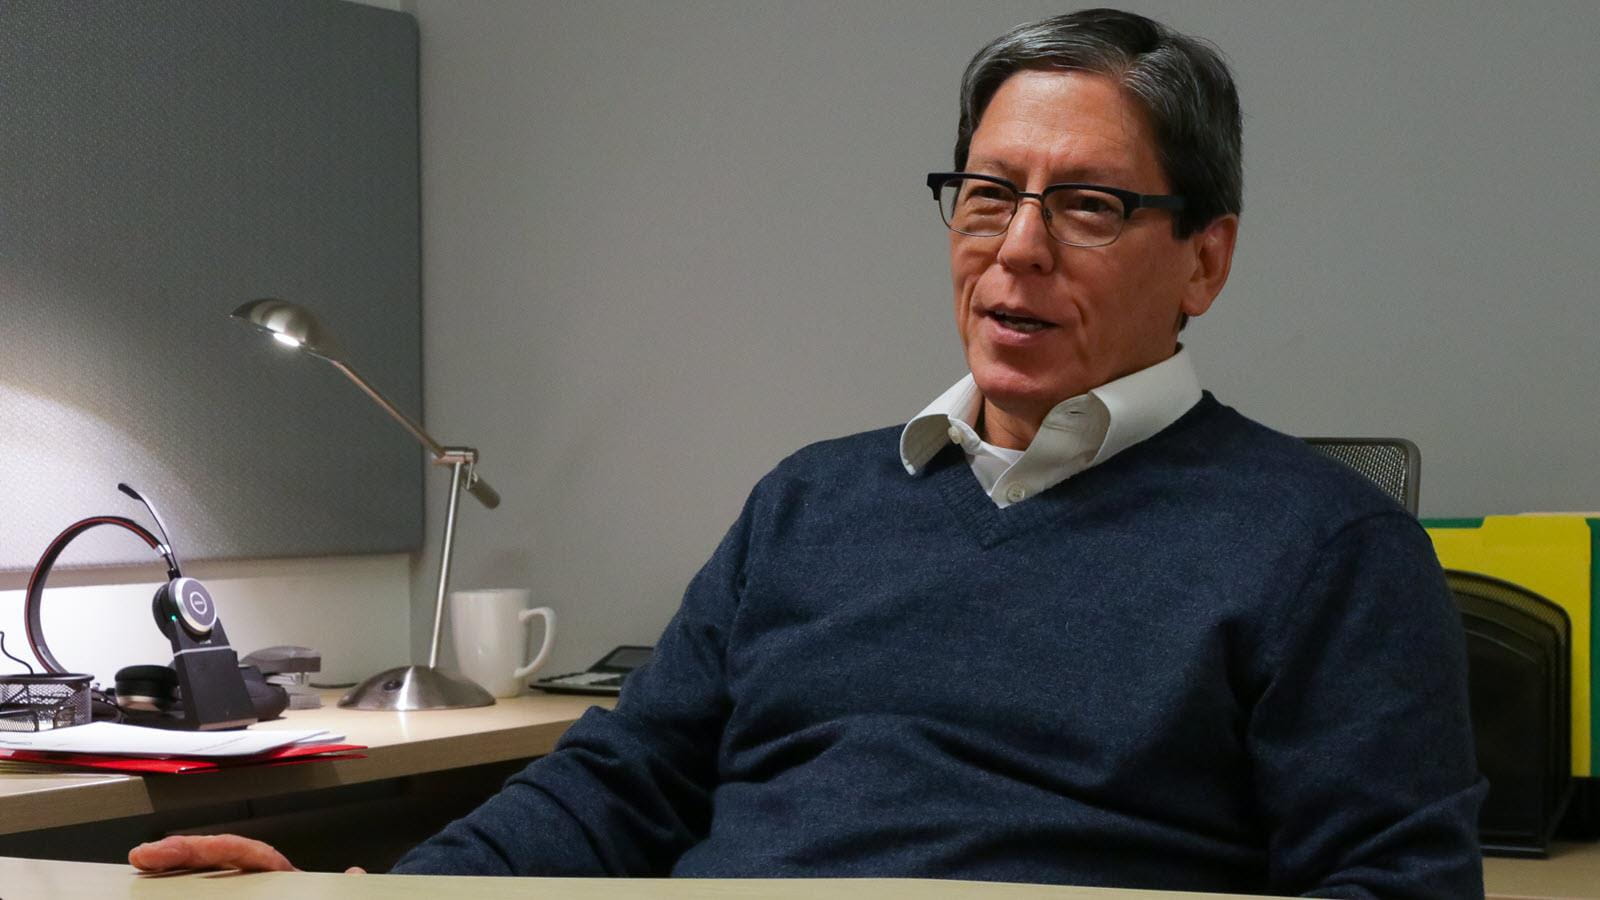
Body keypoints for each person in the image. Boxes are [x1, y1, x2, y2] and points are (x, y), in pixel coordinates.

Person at [131, 9, 1486, 896]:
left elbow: (1392, 884)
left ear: (1206, 258)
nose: (1017, 248)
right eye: (989, 194)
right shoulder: (813, 500)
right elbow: (626, 783)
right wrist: (380, 893)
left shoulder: (1322, 546)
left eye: (1085, 205)